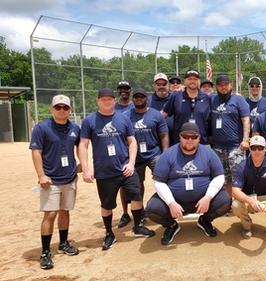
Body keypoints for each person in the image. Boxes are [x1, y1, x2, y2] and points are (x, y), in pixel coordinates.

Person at [78, 87, 155, 251]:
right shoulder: (90, 120)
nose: (107, 101)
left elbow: (132, 142)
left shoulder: (123, 119)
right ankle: (109, 233)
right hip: (104, 170)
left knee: (136, 196)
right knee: (106, 205)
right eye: (103, 99)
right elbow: (83, 145)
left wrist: (131, 163)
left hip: (125, 167)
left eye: (110, 99)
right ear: (98, 101)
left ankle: (137, 227)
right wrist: (85, 169)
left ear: (114, 101)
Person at [146, 122, 231, 245]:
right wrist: (171, 203)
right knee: (152, 209)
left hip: (202, 200)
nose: (189, 140)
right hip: (176, 201)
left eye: (194, 137)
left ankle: (205, 220)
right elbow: (158, 182)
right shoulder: (168, 154)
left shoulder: (209, 153)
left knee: (224, 201)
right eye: (186, 137)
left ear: (199, 138)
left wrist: (208, 197)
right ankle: (171, 226)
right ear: (180, 137)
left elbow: (219, 177)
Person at [30, 94, 81, 269]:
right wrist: (41, 175)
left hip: (69, 177)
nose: (61, 111)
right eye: (58, 107)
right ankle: (45, 252)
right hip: (51, 180)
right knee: (50, 214)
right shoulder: (42, 128)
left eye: (65, 108)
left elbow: (81, 146)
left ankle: (63, 243)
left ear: (70, 110)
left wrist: (83, 166)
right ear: (51, 109)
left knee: (65, 211)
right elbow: (36, 152)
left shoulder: (75, 128)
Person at [117, 88, 170, 228]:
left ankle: (167, 206)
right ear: (133, 99)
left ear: (147, 99)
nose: (139, 99)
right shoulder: (126, 116)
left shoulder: (156, 115)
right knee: (133, 186)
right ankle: (133, 213)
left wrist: (164, 155)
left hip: (153, 153)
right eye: (136, 97)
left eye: (142, 97)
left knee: (165, 177)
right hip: (135, 157)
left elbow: (164, 135)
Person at [210, 74, 251, 198]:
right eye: (220, 85)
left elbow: (246, 121)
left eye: (226, 85)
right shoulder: (212, 99)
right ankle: (229, 203)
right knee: (224, 178)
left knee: (239, 177)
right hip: (217, 148)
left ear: (231, 85)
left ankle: (243, 203)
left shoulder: (239, 100)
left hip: (236, 147)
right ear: (216, 87)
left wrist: (245, 139)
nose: (223, 88)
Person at [161, 69, 211, 145]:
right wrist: (147, 118)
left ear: (199, 81)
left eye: (195, 79)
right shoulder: (176, 96)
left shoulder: (207, 98)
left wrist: (235, 95)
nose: (192, 81)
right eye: (190, 79)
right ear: (185, 81)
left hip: (202, 143)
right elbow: (164, 113)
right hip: (181, 143)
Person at [148, 73, 175, 150]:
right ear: (154, 85)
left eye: (164, 84)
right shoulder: (148, 101)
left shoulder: (175, 98)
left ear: (168, 85)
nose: (161, 87)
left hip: (175, 139)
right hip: (156, 140)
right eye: (158, 84)